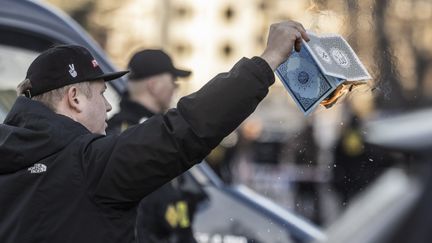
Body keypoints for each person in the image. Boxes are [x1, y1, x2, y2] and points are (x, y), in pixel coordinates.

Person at [0, 20, 310, 243]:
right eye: (101, 93)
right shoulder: (88, 166)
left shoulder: (10, 159)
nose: (108, 107)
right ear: (75, 99)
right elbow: (184, 130)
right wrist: (267, 62)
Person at [107, 49, 204, 243]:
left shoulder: (119, 133)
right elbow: (157, 210)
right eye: (173, 81)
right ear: (153, 86)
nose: (175, 89)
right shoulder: (144, 137)